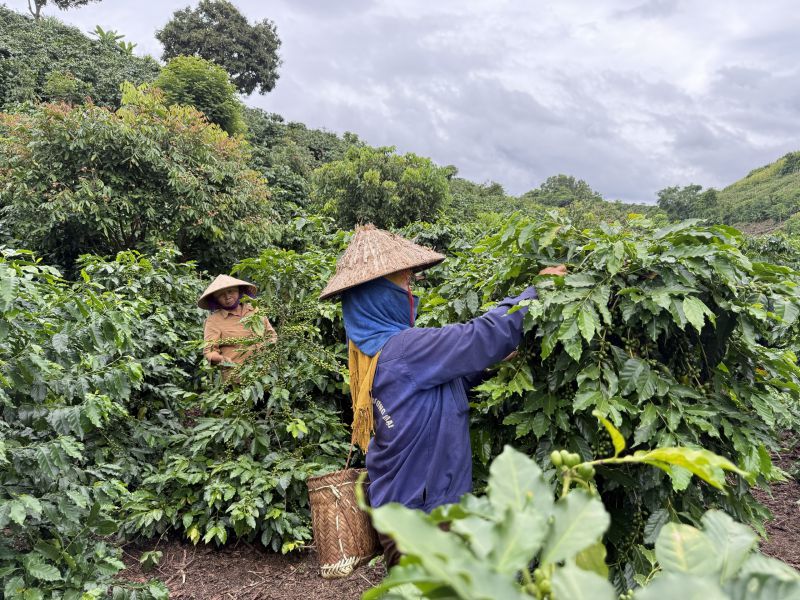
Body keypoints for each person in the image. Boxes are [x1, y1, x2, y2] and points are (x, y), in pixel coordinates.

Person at [319, 224, 566, 567]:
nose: (411, 292)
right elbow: (480, 335)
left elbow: (440, 391)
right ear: (378, 296)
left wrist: (488, 365)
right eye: (405, 284)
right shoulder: (405, 349)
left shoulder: (378, 352)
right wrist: (533, 294)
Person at [198, 274, 277, 377]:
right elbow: (209, 352)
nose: (227, 297)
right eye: (221, 295)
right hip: (235, 378)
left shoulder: (255, 310)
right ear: (215, 300)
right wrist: (221, 359)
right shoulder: (213, 321)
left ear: (239, 290)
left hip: (265, 374)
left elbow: (271, 335)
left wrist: (268, 348)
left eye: (230, 291)